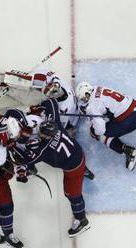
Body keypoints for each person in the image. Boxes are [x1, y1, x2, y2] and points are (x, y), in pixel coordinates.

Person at [13, 98, 90, 237]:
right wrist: (40, 107)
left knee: (72, 194)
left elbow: (26, 161)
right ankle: (85, 170)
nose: (40, 135)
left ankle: (82, 220)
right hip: (78, 155)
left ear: (48, 136)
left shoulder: (43, 149)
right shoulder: (57, 126)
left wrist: (12, 146)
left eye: (42, 134)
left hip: (73, 169)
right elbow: (52, 102)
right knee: (74, 172)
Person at [75, 82, 136, 171]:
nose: (84, 101)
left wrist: (93, 130)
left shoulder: (92, 106)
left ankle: (130, 151)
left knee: (98, 134)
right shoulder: (99, 88)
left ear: (87, 94)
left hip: (130, 122)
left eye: (83, 98)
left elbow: (100, 129)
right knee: (127, 106)